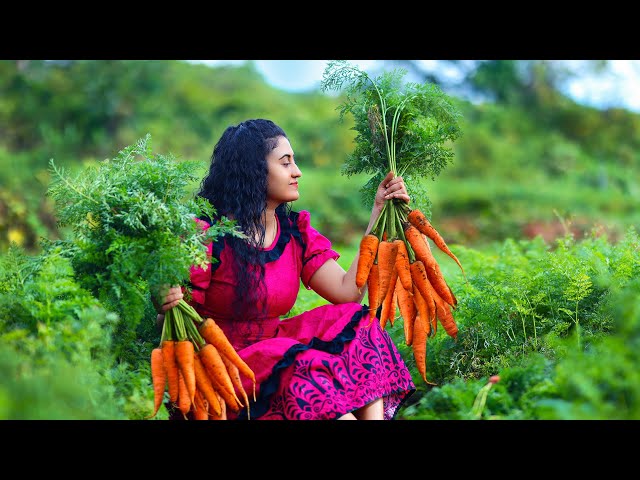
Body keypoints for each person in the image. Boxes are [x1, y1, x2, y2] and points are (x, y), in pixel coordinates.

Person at [158, 118, 416, 420]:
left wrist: (378, 215)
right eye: (285, 163)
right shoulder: (207, 235)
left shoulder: (294, 231)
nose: (297, 172)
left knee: (362, 325)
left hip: (279, 348)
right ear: (254, 171)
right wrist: (164, 300)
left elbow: (347, 293)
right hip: (226, 365)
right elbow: (171, 319)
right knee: (303, 369)